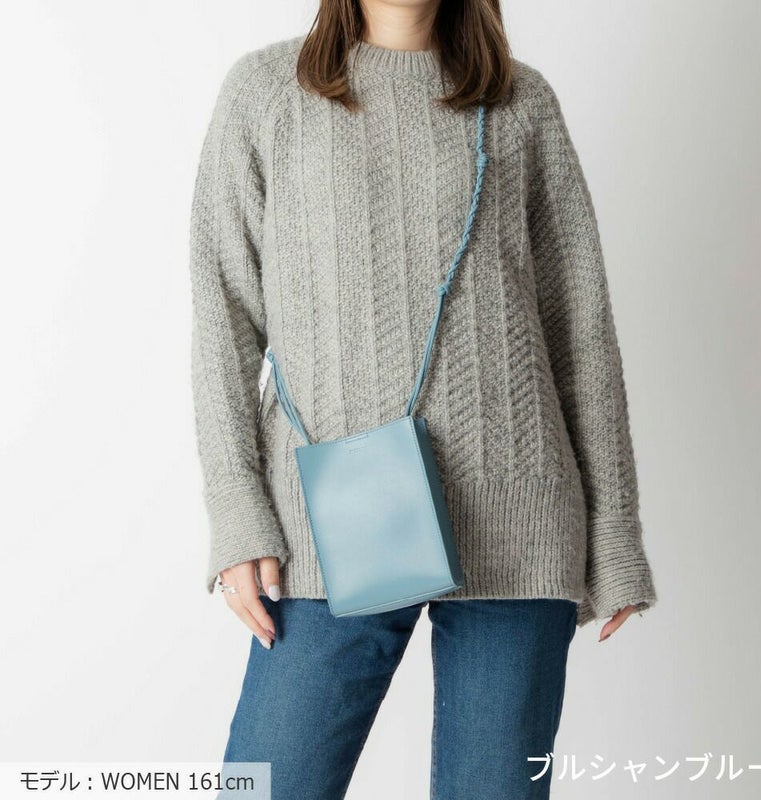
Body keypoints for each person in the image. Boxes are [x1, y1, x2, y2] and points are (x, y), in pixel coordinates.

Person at [188, 1, 658, 796]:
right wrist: (237, 507)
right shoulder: (267, 91)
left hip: (520, 526)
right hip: (328, 526)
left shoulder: (522, 102)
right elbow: (223, 313)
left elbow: (580, 328)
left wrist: (615, 529)